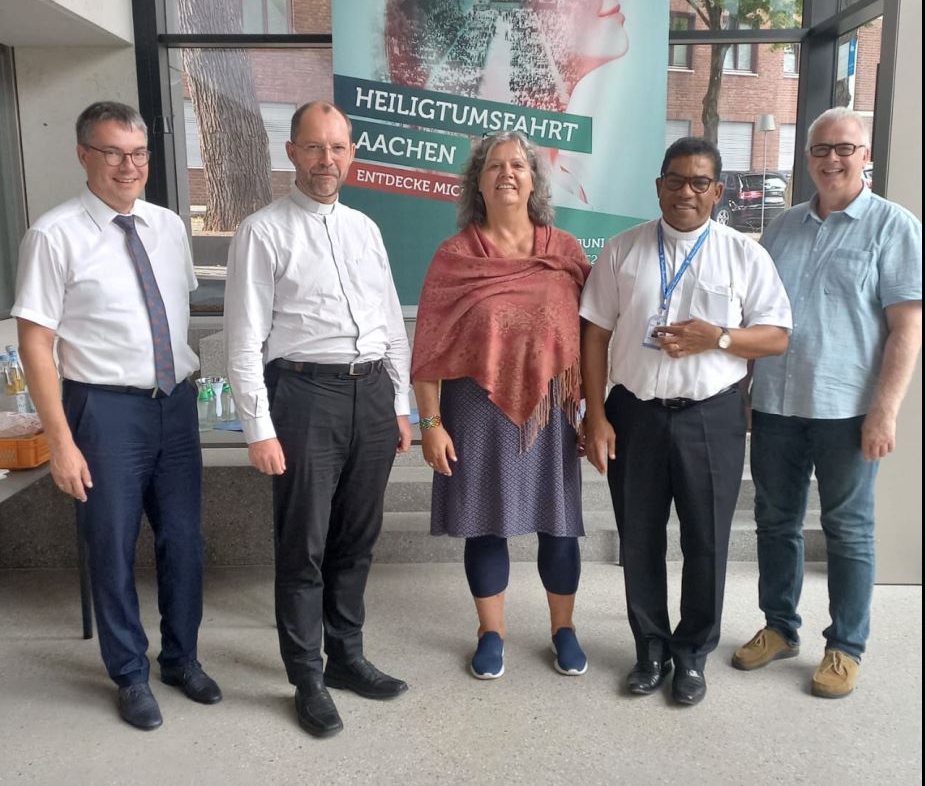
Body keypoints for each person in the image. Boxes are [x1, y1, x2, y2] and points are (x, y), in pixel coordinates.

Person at [12, 101, 221, 730]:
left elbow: (169, 314)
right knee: (111, 546)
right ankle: (130, 673)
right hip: (102, 412)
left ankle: (181, 658)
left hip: (174, 405)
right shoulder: (53, 234)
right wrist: (62, 440)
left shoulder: (167, 226)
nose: (128, 166)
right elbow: (34, 343)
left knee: (185, 542)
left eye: (139, 154)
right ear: (83, 155)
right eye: (113, 153)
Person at [580, 137, 792, 706]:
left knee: (707, 542)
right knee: (640, 539)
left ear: (718, 191)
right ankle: (649, 648)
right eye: (675, 180)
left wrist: (717, 337)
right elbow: (595, 332)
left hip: (711, 417)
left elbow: (776, 335)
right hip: (635, 415)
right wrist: (594, 414)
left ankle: (692, 655)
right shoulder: (623, 250)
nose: (686, 192)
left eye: (700, 182)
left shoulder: (743, 254)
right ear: (659, 186)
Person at [224, 101, 412, 738]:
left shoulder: (365, 228)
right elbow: (243, 340)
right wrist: (259, 429)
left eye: (338, 148)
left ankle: (347, 657)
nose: (327, 160)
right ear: (292, 154)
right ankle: (305, 674)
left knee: (356, 539)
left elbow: (390, 323)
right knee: (303, 544)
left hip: (371, 397)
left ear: (350, 153)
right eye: (314, 147)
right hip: (303, 397)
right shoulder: (263, 230)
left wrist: (401, 405)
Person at [733, 107, 922, 698]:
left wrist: (885, 410)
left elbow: (907, 329)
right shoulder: (783, 227)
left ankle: (844, 646)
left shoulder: (894, 226)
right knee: (775, 521)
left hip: (848, 411)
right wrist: (746, 388)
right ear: (807, 157)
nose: (832, 159)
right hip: (777, 406)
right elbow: (757, 316)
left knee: (849, 530)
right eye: (821, 149)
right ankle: (780, 627)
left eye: (845, 148)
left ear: (866, 155)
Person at [411, 131, 590, 680]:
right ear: (478, 182)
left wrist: (595, 412)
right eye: (494, 166)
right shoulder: (455, 255)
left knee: (559, 526)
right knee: (486, 525)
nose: (507, 173)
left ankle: (564, 629)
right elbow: (429, 348)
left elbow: (594, 337)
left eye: (518, 165)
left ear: (535, 179)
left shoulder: (566, 253)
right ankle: (492, 632)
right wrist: (431, 423)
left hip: (551, 413)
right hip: (475, 411)